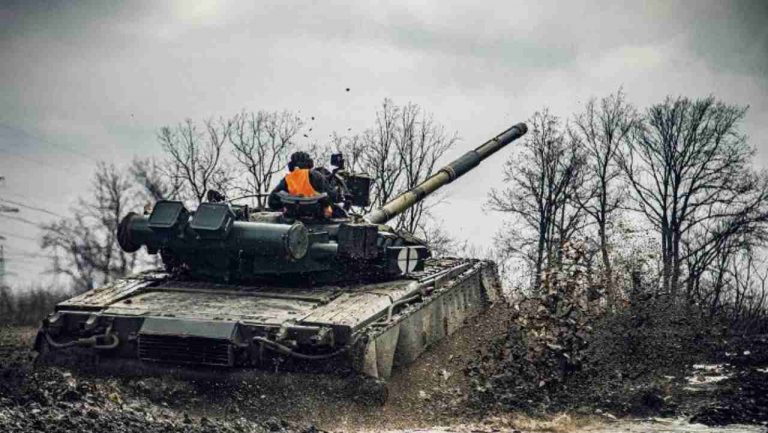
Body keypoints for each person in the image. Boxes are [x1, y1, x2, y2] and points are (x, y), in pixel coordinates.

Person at [268, 151, 338, 217]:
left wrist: (285, 205)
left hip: (292, 217)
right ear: (309, 163)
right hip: (316, 217)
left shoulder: (287, 179)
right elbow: (333, 196)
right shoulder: (316, 176)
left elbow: (272, 202)